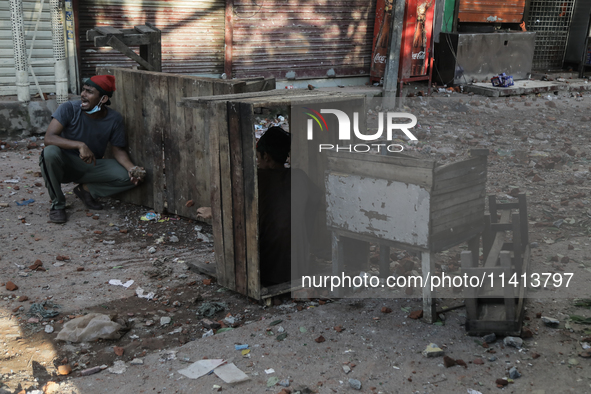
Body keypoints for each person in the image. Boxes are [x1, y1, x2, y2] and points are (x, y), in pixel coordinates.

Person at [39, 75, 144, 223]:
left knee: (130, 177)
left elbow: (118, 151)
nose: (83, 94)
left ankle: (87, 190)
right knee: (48, 153)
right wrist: (80, 145)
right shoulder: (68, 108)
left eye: (89, 92)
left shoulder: (114, 119)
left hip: (91, 165)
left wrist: (132, 169)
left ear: (103, 99)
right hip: (63, 164)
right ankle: (58, 205)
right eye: (83, 90)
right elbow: (49, 138)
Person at [256, 126, 319, 287]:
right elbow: (317, 200)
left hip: (266, 273)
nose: (257, 162)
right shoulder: (299, 177)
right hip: (298, 270)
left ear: (266, 156)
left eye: (258, 158)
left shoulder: (256, 180)